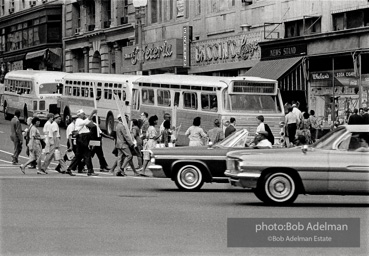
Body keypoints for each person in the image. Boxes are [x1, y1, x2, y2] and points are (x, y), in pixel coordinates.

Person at [67, 109, 98, 176]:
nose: (84, 115)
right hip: (83, 138)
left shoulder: (80, 121)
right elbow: (87, 122)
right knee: (87, 154)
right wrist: (92, 113)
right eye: (83, 114)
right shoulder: (79, 120)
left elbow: (91, 124)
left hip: (81, 138)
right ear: (80, 115)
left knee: (78, 155)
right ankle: (90, 171)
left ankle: (70, 168)